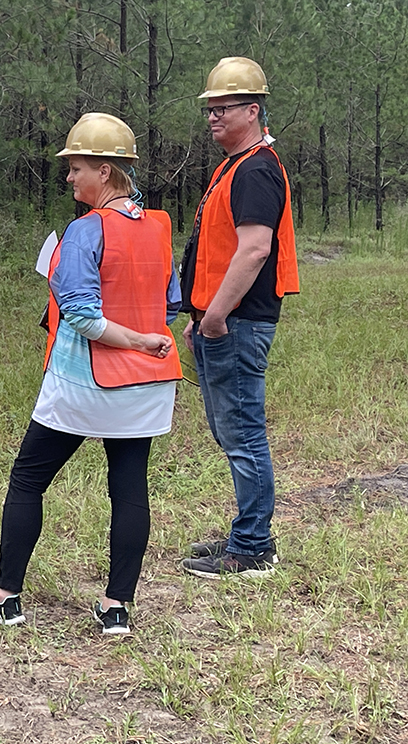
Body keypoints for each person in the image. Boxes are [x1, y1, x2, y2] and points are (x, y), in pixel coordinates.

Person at [0, 114, 181, 635]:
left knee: (27, 479)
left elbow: (82, 317)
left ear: (105, 172)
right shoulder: (159, 226)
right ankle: (116, 609)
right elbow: (169, 306)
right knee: (129, 489)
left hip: (82, 383)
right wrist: (143, 338)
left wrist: (127, 337)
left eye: (76, 167)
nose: (68, 177)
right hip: (146, 384)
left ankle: (5, 597)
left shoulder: (86, 231)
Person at [179, 57, 299, 579]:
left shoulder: (255, 169)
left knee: (244, 433)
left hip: (238, 323)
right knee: (234, 432)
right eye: (209, 108)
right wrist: (200, 312)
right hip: (220, 319)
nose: (213, 116)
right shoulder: (235, 165)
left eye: (223, 108)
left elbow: (253, 251)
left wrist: (216, 317)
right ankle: (248, 533)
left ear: (253, 111)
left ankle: (253, 548)